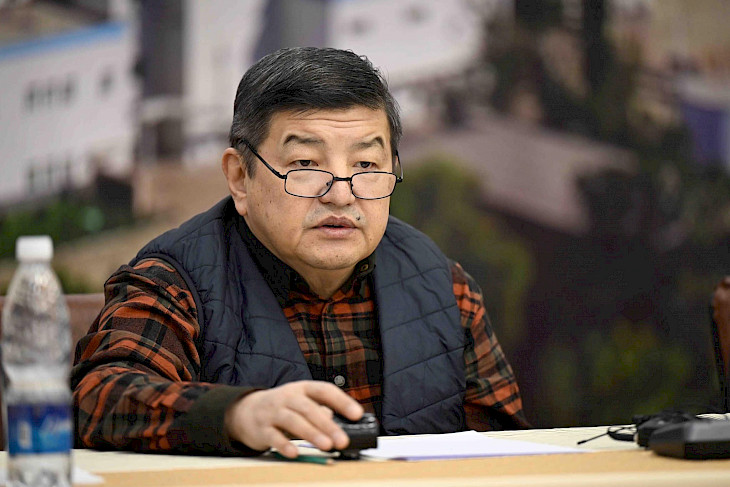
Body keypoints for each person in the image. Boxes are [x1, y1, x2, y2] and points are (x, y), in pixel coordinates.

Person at [71, 47, 528, 458]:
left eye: (366, 164)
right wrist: (236, 414)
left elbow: (508, 451)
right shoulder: (175, 280)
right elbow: (98, 398)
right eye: (306, 164)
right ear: (239, 178)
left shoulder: (444, 286)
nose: (341, 194)